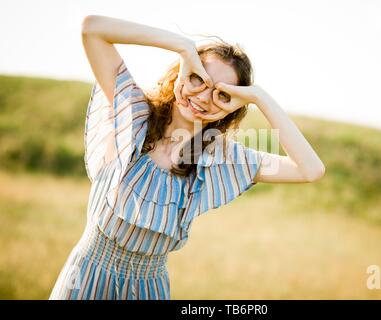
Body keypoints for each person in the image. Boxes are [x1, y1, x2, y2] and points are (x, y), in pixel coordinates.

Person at [49, 15, 326, 300]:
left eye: (221, 94)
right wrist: (183, 46)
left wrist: (259, 97)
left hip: (147, 290)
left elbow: (310, 170)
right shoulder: (133, 114)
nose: (203, 97)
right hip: (85, 278)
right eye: (198, 78)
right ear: (181, 72)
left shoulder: (218, 157)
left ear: (233, 107)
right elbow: (92, 29)